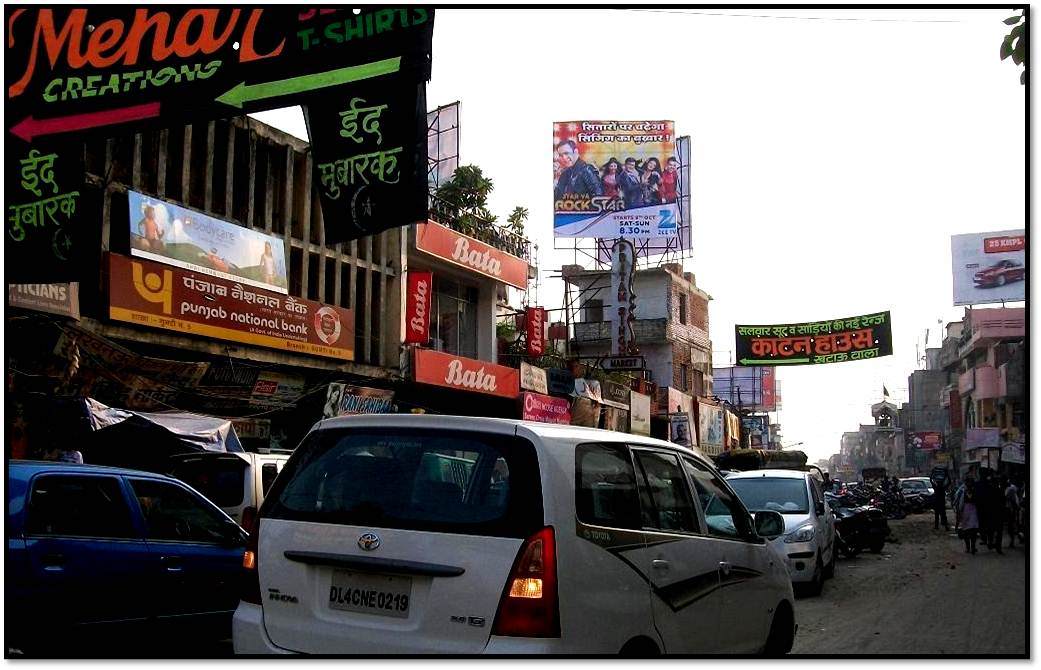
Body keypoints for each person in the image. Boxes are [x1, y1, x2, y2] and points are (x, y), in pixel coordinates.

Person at [957, 480, 980, 554]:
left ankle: (968, 548)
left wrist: (959, 513)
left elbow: (961, 504)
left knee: (966, 530)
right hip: (974, 512)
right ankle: (973, 546)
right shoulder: (976, 493)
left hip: (966, 512)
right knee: (973, 530)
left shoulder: (963, 493)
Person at [1004, 477, 1021, 548]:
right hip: (1009, 508)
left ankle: (1012, 540)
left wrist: (1016, 508)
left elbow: (1013, 500)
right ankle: (1012, 540)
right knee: (1010, 525)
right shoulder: (1010, 488)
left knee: (1011, 525)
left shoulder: (1011, 489)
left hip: (1010, 509)